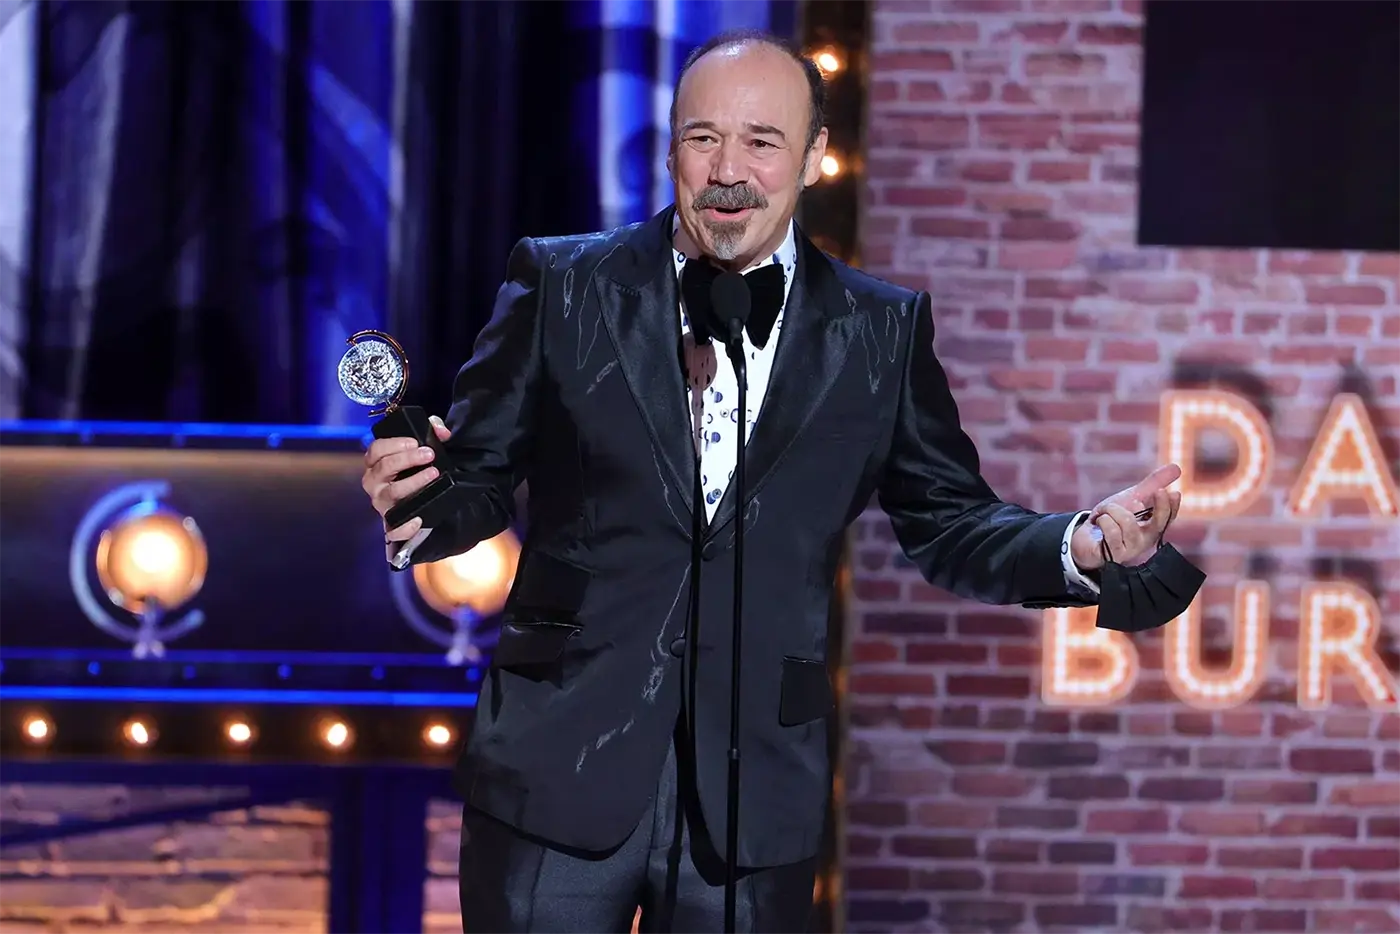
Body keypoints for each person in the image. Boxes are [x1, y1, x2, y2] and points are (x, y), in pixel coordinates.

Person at [360, 29, 1188, 934]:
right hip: (558, 759)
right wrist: (418, 496)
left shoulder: (880, 331)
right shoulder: (563, 283)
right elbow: (476, 481)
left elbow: (950, 522)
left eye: (761, 141)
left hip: (755, 788)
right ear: (671, 148)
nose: (728, 170)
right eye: (703, 137)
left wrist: (1083, 543)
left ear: (815, 156)